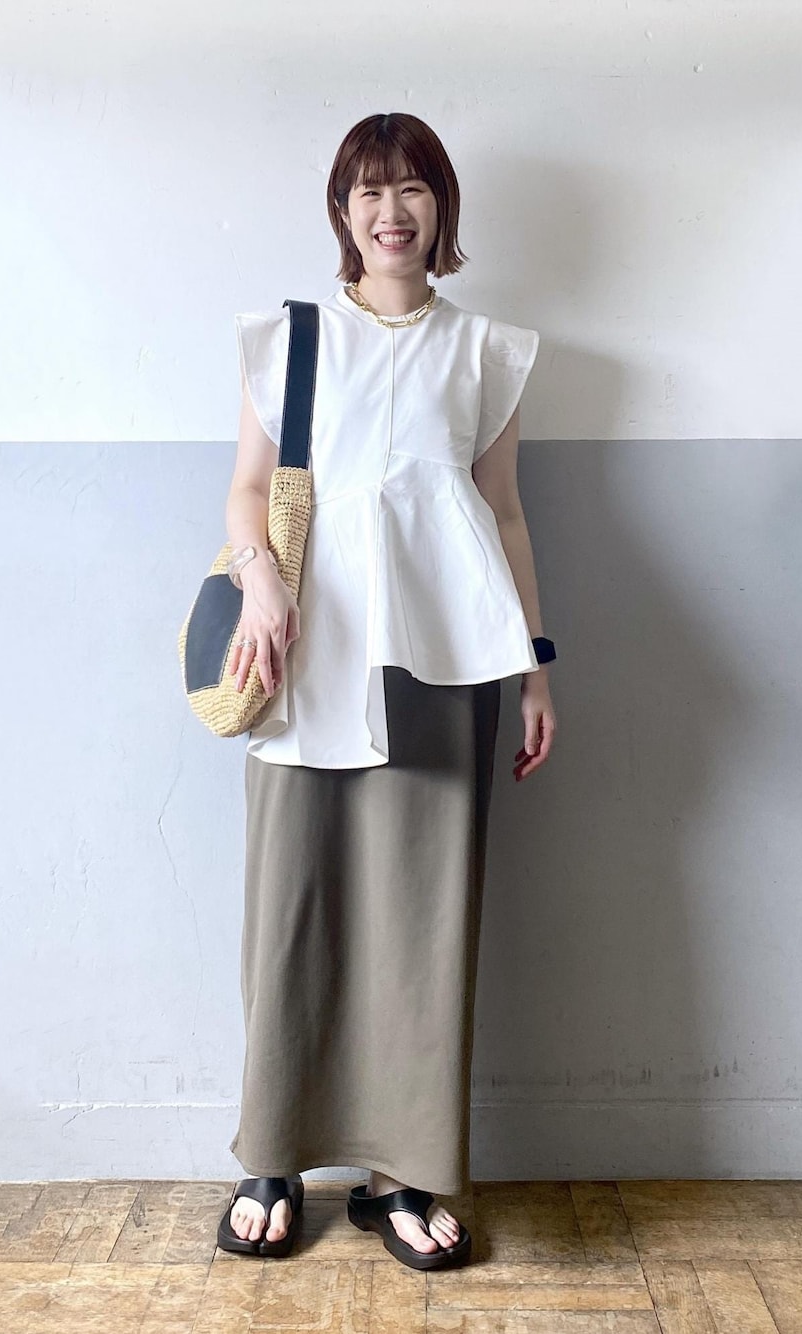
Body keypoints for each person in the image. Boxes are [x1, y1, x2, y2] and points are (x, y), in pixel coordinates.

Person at [215, 112, 557, 1271]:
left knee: (423, 922)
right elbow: (247, 487)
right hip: (305, 654)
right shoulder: (288, 338)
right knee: (291, 907)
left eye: (412, 188)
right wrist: (260, 583)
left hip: (443, 661)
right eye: (368, 190)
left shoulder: (489, 352)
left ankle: (401, 1174)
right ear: (341, 210)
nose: (390, 210)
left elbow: (503, 513)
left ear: (441, 207)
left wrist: (535, 665)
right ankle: (271, 1154)